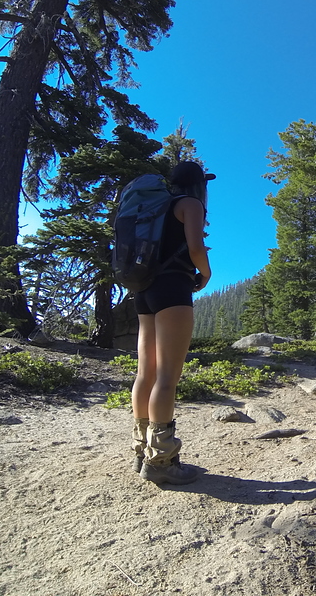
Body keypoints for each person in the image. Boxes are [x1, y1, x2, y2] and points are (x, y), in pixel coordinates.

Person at [130, 161, 214, 484]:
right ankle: (162, 461)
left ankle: (142, 452)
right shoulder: (190, 205)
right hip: (173, 290)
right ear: (198, 185)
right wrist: (205, 274)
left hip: (144, 291)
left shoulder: (157, 207)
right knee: (167, 377)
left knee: (145, 373)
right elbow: (195, 247)